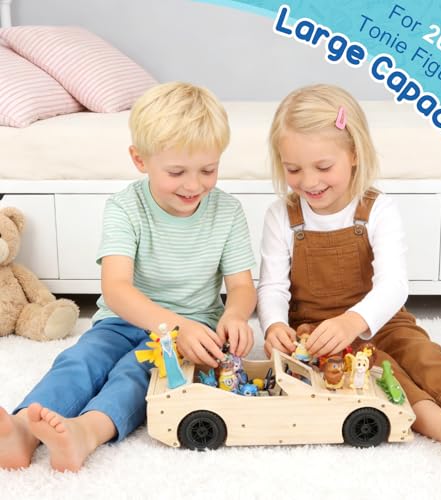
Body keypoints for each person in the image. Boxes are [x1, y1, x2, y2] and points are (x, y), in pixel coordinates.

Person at [0, 82, 256, 472]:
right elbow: (116, 289)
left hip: (191, 330)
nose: (194, 185)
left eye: (208, 170)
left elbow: (241, 286)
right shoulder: (125, 206)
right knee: (80, 360)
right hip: (122, 321)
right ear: (140, 160)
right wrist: (173, 325)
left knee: (137, 374)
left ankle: (86, 432)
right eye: (176, 172)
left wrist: (235, 315)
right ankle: (21, 429)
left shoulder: (228, 211)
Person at [257, 83, 441, 463]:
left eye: (323, 167)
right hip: (317, 334)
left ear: (354, 153)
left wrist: (354, 320)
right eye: (293, 169)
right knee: (379, 374)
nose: (309, 181)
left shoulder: (377, 209)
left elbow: (394, 284)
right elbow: (272, 286)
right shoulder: (281, 216)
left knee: (425, 356)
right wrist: (273, 325)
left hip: (382, 318)